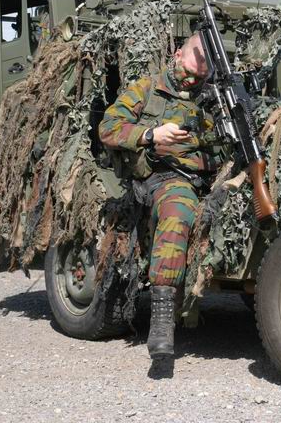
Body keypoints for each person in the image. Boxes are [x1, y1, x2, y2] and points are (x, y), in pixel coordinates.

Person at [99, 33, 218, 359]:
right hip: (165, 178)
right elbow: (108, 127)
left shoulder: (213, 98)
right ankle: (163, 319)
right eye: (198, 57)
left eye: (209, 62)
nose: (203, 67)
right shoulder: (147, 88)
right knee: (178, 211)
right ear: (178, 54)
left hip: (210, 180)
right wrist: (150, 135)